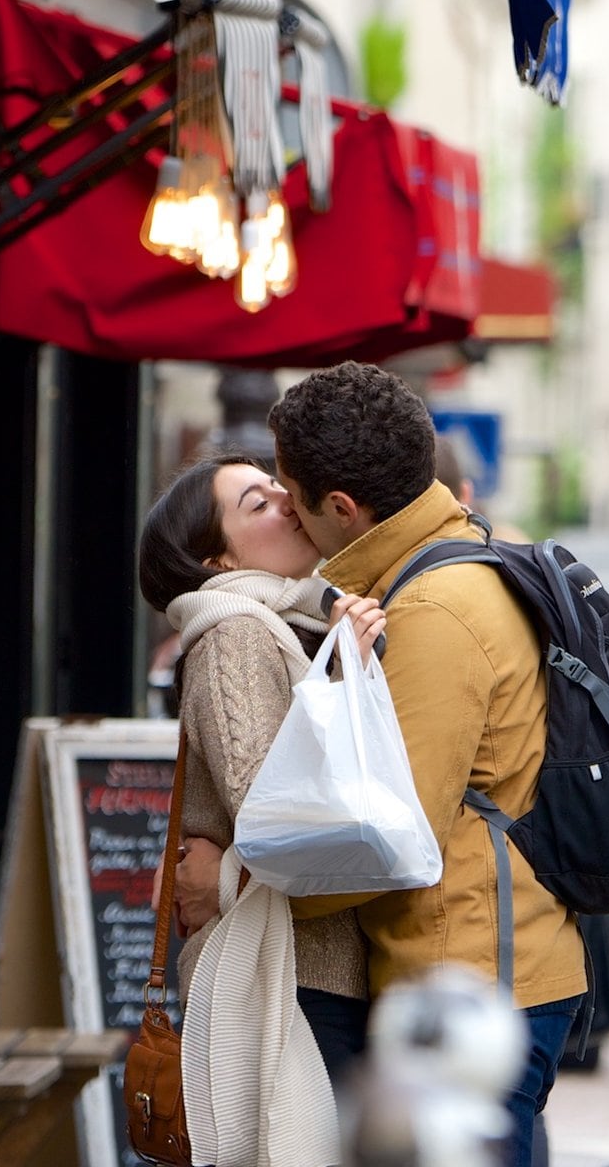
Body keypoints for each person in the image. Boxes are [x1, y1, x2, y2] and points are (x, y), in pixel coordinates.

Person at [268, 362, 586, 1167]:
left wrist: (258, 892)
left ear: (341, 508)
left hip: (471, 983)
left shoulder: (437, 609)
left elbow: (391, 834)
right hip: (487, 970)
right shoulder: (453, 563)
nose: (288, 516)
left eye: (292, 498)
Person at [138, 453, 385, 1135]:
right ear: (217, 562)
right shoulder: (236, 634)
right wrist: (350, 679)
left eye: (277, 486)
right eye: (257, 503)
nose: (285, 500)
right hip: (291, 981)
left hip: (302, 971)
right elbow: (276, 816)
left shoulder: (289, 622)